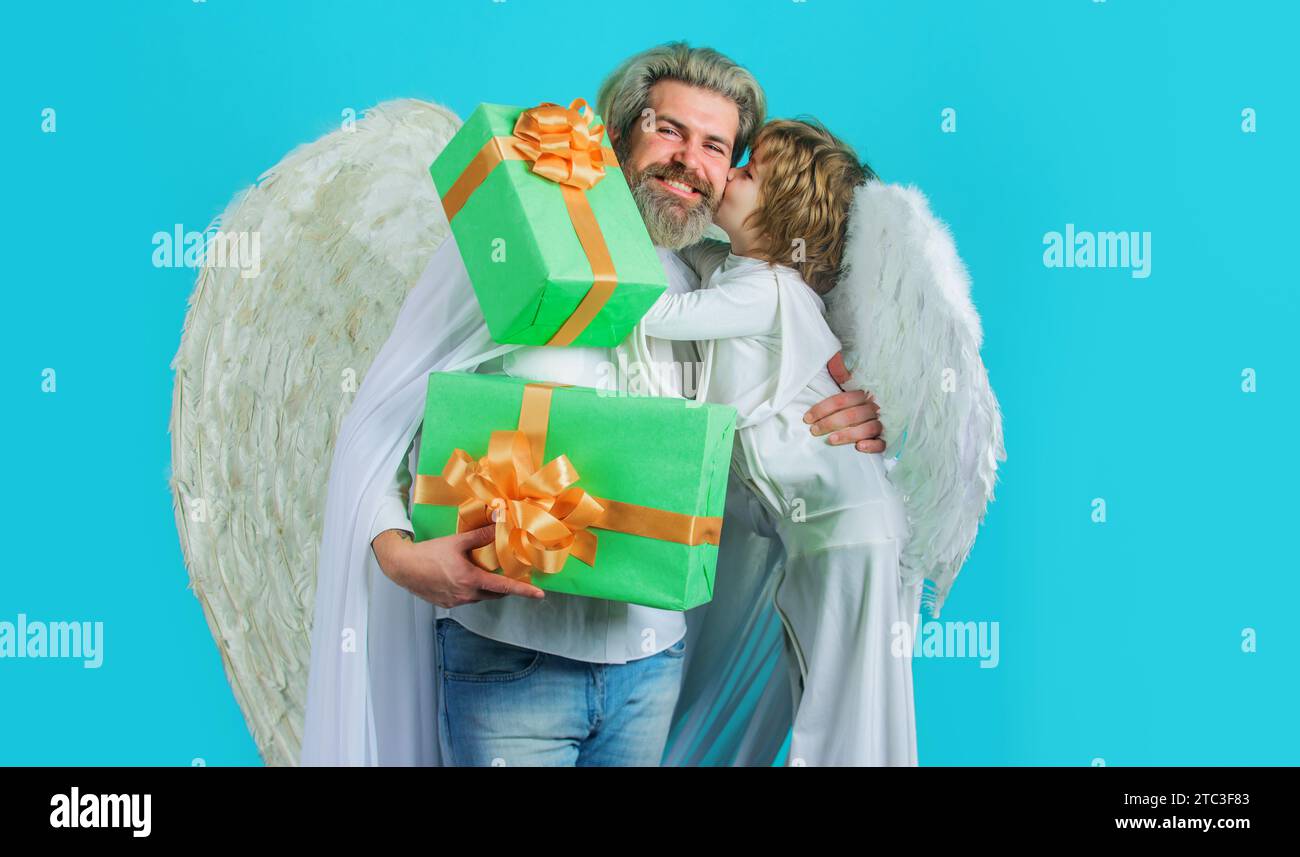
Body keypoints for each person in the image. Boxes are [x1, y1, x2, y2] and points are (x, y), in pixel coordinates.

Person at [301, 42, 887, 766]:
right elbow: (379, 419)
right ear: (618, 132)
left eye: (716, 147)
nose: (689, 161)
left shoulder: (711, 289)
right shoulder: (516, 249)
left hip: (653, 667)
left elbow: (762, 435)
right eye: (667, 129)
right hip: (512, 660)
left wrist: (852, 410)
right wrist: (398, 555)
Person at [640, 119, 923, 764]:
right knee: (835, 708)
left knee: (844, 724)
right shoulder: (754, 278)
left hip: (843, 526)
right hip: (830, 526)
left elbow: (659, 314)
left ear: (782, 215)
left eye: (747, 172)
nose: (727, 172)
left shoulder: (767, 289)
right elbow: (703, 259)